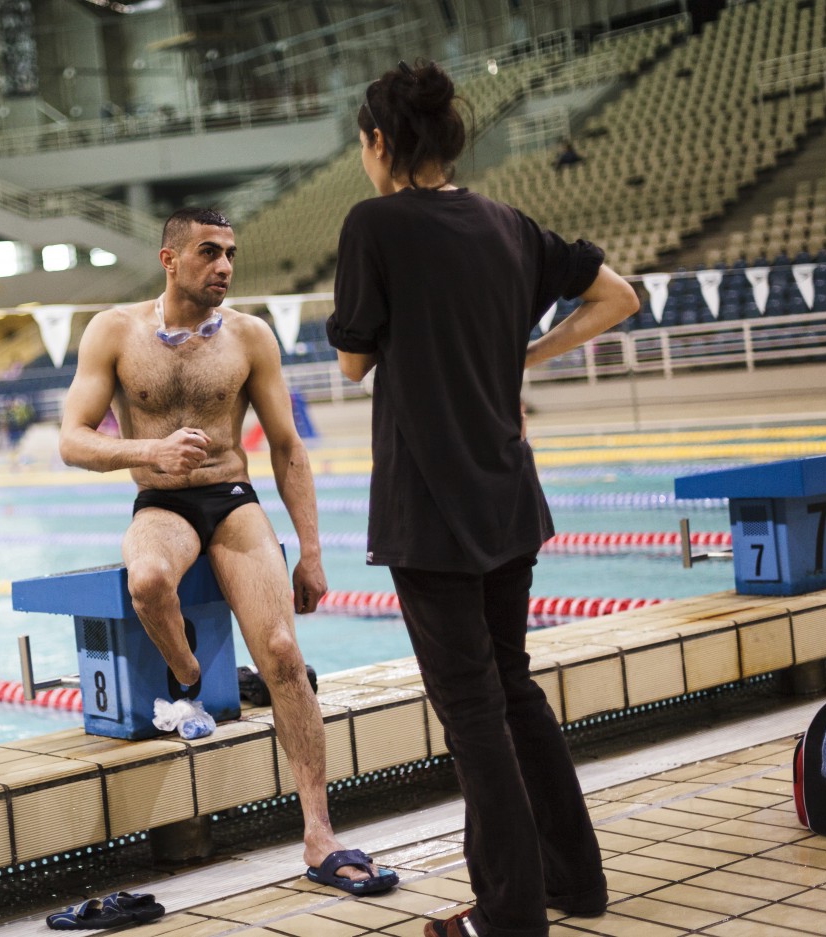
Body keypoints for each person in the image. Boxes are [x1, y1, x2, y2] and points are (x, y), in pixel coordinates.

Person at [327, 60, 639, 937]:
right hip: (507, 496)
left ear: (381, 142)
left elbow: (353, 361)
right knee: (512, 690)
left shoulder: (373, 225)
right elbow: (618, 296)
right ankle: (575, 879)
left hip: (430, 506)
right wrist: (520, 358)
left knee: (472, 713)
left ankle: (504, 914)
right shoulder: (506, 223)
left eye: (363, 143)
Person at [59, 206, 397, 895]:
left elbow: (285, 446)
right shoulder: (114, 331)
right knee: (148, 580)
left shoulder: (249, 337)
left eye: (231, 253)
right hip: (161, 500)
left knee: (281, 651)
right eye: (209, 252)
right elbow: (71, 438)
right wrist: (145, 448)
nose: (224, 267)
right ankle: (188, 678)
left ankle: (319, 834)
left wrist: (310, 550)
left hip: (233, 503)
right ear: (170, 259)